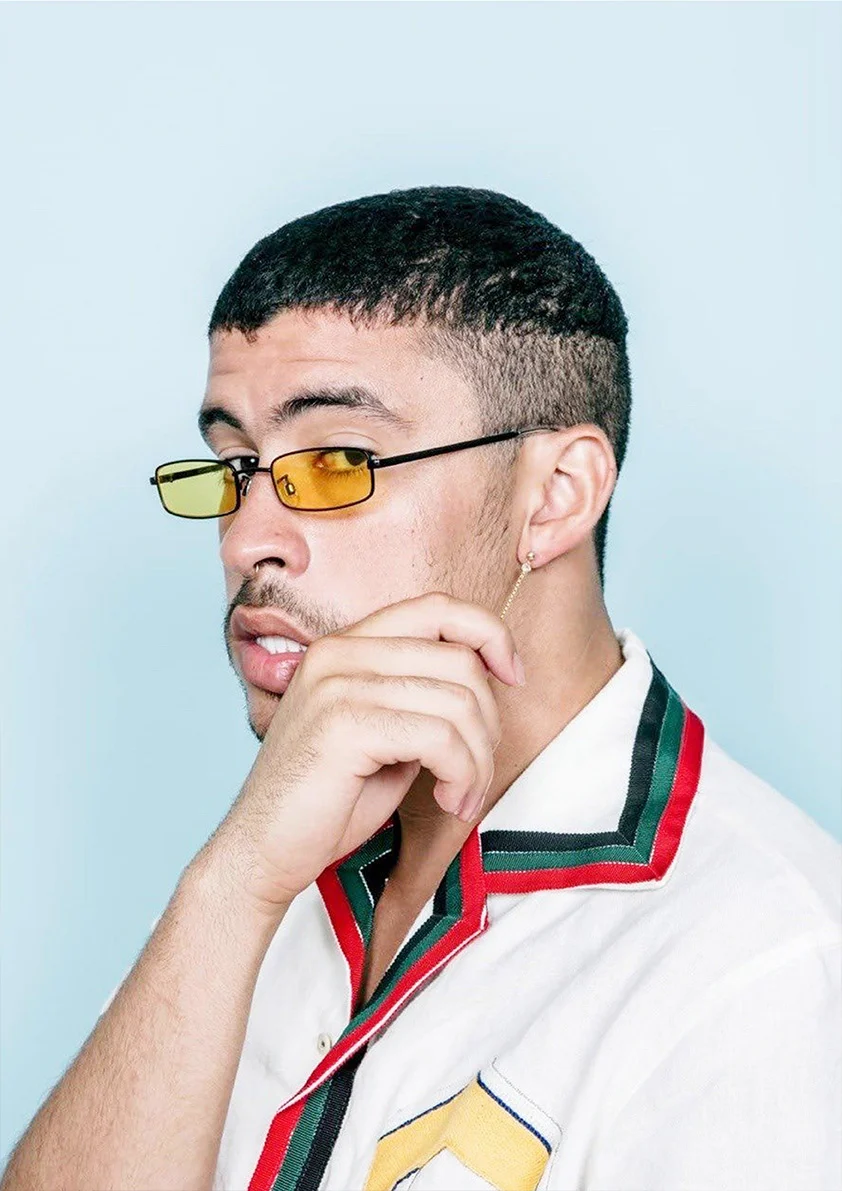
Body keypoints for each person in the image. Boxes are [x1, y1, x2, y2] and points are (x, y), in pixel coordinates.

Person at [2, 186, 840, 1191]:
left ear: (554, 497)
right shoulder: (260, 869)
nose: (245, 539)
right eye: (235, 465)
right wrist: (232, 883)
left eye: (336, 461)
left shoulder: (762, 958)